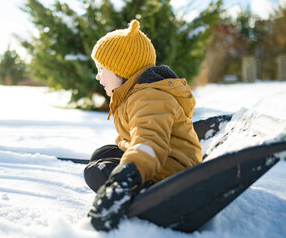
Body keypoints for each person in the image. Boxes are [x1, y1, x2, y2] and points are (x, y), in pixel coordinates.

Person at [84, 19, 202, 231]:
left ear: (121, 70)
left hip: (173, 175)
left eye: (102, 69)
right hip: (160, 160)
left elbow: (149, 142)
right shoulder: (134, 93)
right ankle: (135, 181)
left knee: (96, 172)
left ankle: (147, 199)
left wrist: (123, 180)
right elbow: (134, 136)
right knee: (100, 155)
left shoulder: (149, 97)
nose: (98, 76)